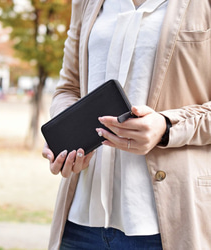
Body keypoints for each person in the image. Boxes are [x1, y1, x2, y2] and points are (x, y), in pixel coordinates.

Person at [42, 0, 211, 249]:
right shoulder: (86, 3)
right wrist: (68, 132)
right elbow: (69, 87)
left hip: (166, 224)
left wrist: (167, 126)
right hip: (80, 225)